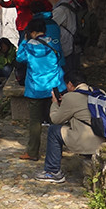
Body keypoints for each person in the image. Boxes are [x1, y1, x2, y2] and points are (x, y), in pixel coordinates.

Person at [37, 70, 106, 183]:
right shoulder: (99, 92)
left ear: (69, 84)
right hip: (103, 138)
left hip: (88, 143)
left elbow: (55, 119)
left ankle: (53, 171)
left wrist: (55, 103)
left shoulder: (71, 97)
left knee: (54, 131)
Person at [16, 16, 65, 161]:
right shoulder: (53, 44)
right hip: (53, 88)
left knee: (35, 122)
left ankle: (32, 152)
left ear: (30, 32)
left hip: (35, 90)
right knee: (55, 120)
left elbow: (19, 58)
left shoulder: (28, 47)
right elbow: (60, 59)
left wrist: (24, 41)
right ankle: (57, 152)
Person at [44, 0, 81, 73]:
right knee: (73, 68)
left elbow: (51, 26)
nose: (48, 1)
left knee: (67, 70)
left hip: (66, 44)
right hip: (75, 41)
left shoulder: (60, 10)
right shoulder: (71, 2)